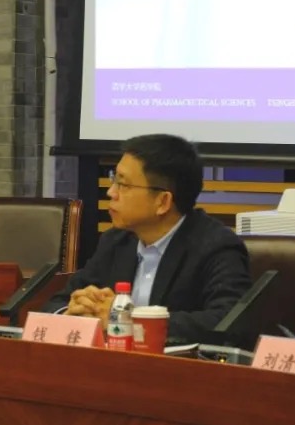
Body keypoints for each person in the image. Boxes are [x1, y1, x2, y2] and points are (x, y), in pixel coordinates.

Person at [43, 134, 253, 346]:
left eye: (123, 184)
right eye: (114, 179)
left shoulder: (215, 246)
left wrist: (128, 319)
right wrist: (74, 310)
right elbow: (57, 304)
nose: (111, 192)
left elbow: (229, 322)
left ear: (163, 202)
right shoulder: (116, 241)